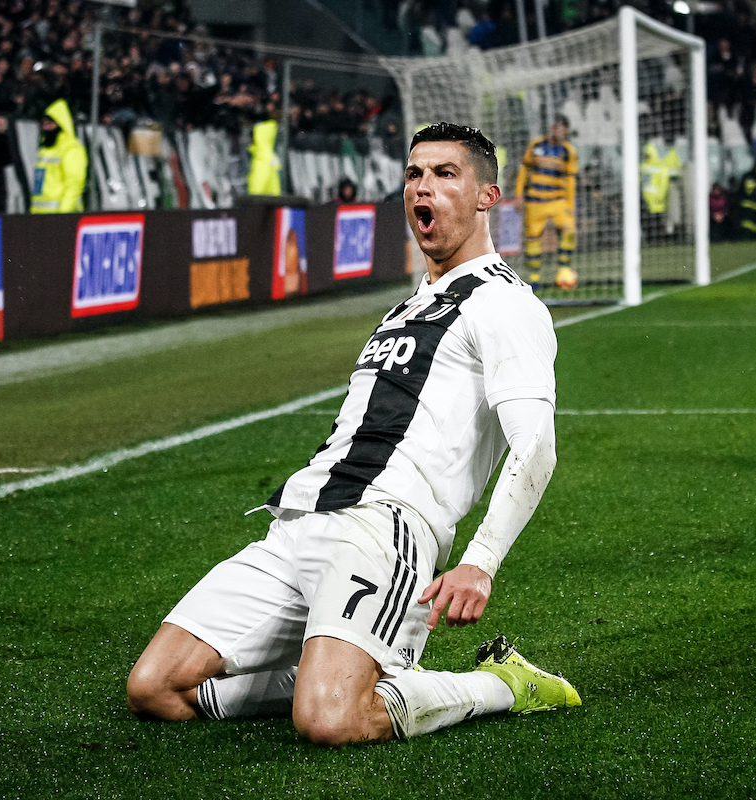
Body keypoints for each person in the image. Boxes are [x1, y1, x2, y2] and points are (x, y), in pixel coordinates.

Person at [127, 122, 580, 746]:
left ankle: (502, 684)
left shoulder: (504, 303)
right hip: (298, 522)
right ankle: (350, 664)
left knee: (330, 719)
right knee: (154, 687)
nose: (424, 188)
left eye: (446, 175)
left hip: (385, 528)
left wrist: (480, 562)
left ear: (486, 197)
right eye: (414, 174)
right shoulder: (407, 308)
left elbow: (535, 444)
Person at [514, 114, 577, 289]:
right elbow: (523, 170)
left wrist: (570, 206)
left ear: (566, 130)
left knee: (569, 230)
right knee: (533, 239)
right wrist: (519, 195)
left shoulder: (568, 151)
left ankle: (563, 271)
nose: (556, 131)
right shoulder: (536, 145)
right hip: (535, 202)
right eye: (554, 127)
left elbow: (571, 181)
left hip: (558, 201)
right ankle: (534, 279)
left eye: (560, 128)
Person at [31, 99, 88, 214]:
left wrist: (63, 214)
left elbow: (74, 184)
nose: (46, 127)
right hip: (39, 214)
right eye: (44, 123)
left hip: (60, 215)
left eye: (51, 123)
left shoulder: (71, 148)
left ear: (61, 124)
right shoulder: (45, 148)